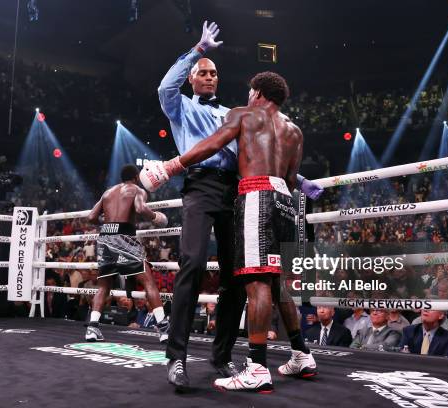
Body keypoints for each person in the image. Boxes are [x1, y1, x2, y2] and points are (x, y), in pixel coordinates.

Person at [155, 21, 324, 392]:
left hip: (240, 192)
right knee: (193, 264)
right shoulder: (180, 105)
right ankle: (177, 356)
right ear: (193, 78)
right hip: (200, 187)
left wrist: (301, 179)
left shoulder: (235, 113)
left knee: (240, 278)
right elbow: (166, 87)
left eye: (215, 73)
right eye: (204, 73)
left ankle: (222, 354)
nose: (210, 77)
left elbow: (259, 155)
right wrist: (198, 51)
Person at [84, 165, 169, 343]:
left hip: (105, 237)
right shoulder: (137, 190)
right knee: (148, 281)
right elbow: (139, 209)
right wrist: (156, 217)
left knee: (104, 285)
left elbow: (91, 217)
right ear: (137, 177)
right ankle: (164, 329)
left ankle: (92, 328)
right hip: (124, 237)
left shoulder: (107, 192)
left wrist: (109, 223)